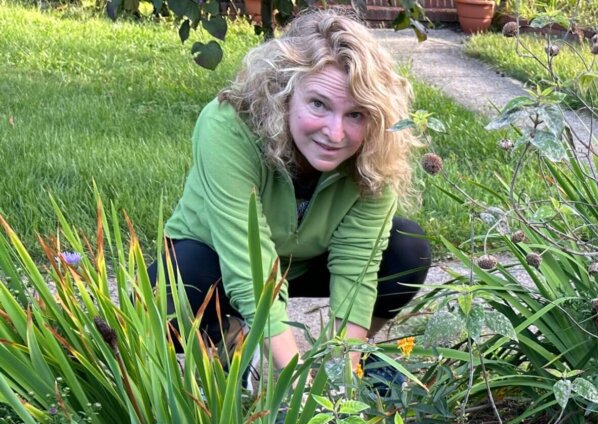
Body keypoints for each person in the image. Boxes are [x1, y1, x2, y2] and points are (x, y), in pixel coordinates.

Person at [154, 9, 431, 379]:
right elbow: (249, 264)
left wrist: (338, 380)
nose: (335, 134)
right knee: (174, 291)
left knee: (407, 249)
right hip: (216, 259)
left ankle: (351, 363)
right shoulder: (227, 125)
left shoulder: (377, 145)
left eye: (356, 114)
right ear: (284, 92)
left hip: (307, 262)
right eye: (319, 104)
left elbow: (357, 268)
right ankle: (230, 341)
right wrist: (297, 382)